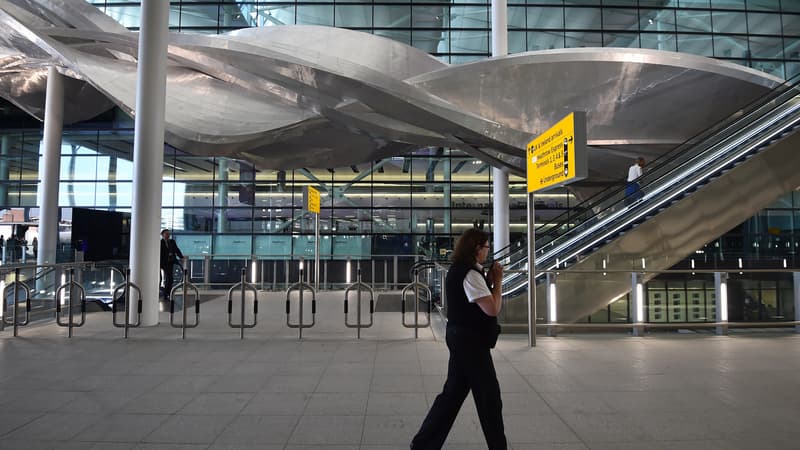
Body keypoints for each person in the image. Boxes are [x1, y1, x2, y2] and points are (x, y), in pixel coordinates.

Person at [411, 228, 506, 450]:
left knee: (452, 396)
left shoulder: (462, 270)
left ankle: (423, 444)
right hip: (470, 343)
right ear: (476, 249)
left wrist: (490, 282)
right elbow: (492, 309)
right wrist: (498, 283)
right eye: (486, 247)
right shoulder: (471, 274)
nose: (487, 251)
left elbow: (476, 301)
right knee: (489, 398)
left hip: (461, 338)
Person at [160, 229, 184, 301]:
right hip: (163, 263)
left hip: (171, 262)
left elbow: (176, 249)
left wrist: (181, 257)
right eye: (166, 234)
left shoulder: (172, 242)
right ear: (162, 235)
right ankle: (166, 294)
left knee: (170, 278)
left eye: (168, 234)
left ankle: (167, 293)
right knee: (168, 278)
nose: (168, 235)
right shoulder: (160, 243)